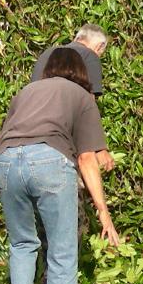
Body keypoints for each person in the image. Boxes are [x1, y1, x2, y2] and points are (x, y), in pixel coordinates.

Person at [0, 48, 119, 284]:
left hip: (7, 165)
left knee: (22, 243)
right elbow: (88, 159)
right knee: (62, 251)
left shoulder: (26, 93)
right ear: (81, 73)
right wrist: (103, 211)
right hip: (50, 162)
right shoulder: (82, 96)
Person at [31, 23, 114, 174]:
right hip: (62, 139)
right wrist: (99, 147)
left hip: (31, 137)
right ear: (100, 46)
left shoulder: (47, 54)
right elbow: (89, 103)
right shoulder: (90, 56)